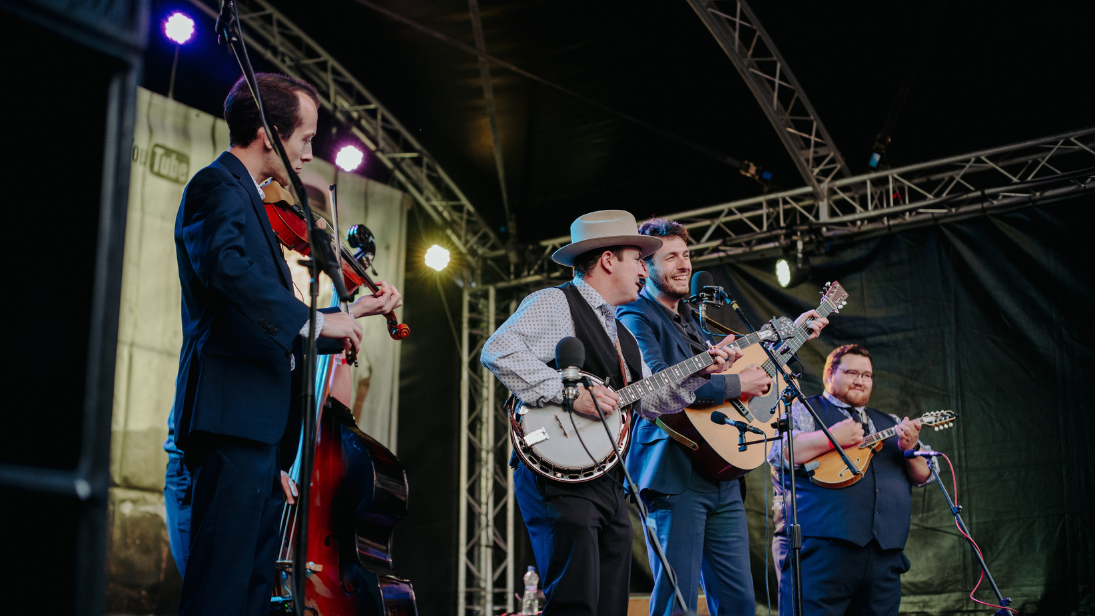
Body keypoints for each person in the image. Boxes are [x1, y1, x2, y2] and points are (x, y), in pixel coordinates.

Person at [168, 73, 401, 614]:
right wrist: (316, 323)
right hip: (232, 419)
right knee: (220, 588)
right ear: (270, 133)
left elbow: (264, 319)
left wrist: (346, 313)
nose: (309, 154)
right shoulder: (216, 186)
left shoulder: (247, 195)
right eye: (305, 139)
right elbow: (228, 270)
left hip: (260, 430)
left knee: (251, 589)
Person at [481, 210, 741, 616]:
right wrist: (568, 394)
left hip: (608, 480)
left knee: (609, 604)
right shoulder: (557, 303)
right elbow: (497, 351)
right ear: (607, 260)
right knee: (575, 601)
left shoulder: (622, 334)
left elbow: (650, 403)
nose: (644, 269)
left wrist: (697, 371)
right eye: (638, 258)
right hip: (557, 475)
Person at [617, 218, 827, 616]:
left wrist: (791, 335)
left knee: (738, 602)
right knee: (677, 601)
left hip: (721, 474)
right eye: (671, 257)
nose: (684, 265)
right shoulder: (634, 316)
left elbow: (734, 369)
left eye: (686, 255)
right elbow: (662, 386)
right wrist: (736, 385)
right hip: (673, 472)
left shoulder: (693, 321)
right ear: (644, 266)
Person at [767, 344, 935, 616]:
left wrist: (910, 449)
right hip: (820, 553)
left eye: (867, 375)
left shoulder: (890, 422)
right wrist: (831, 438)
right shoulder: (803, 411)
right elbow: (777, 453)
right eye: (852, 372)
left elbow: (925, 476)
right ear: (829, 375)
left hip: (883, 558)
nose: (860, 380)